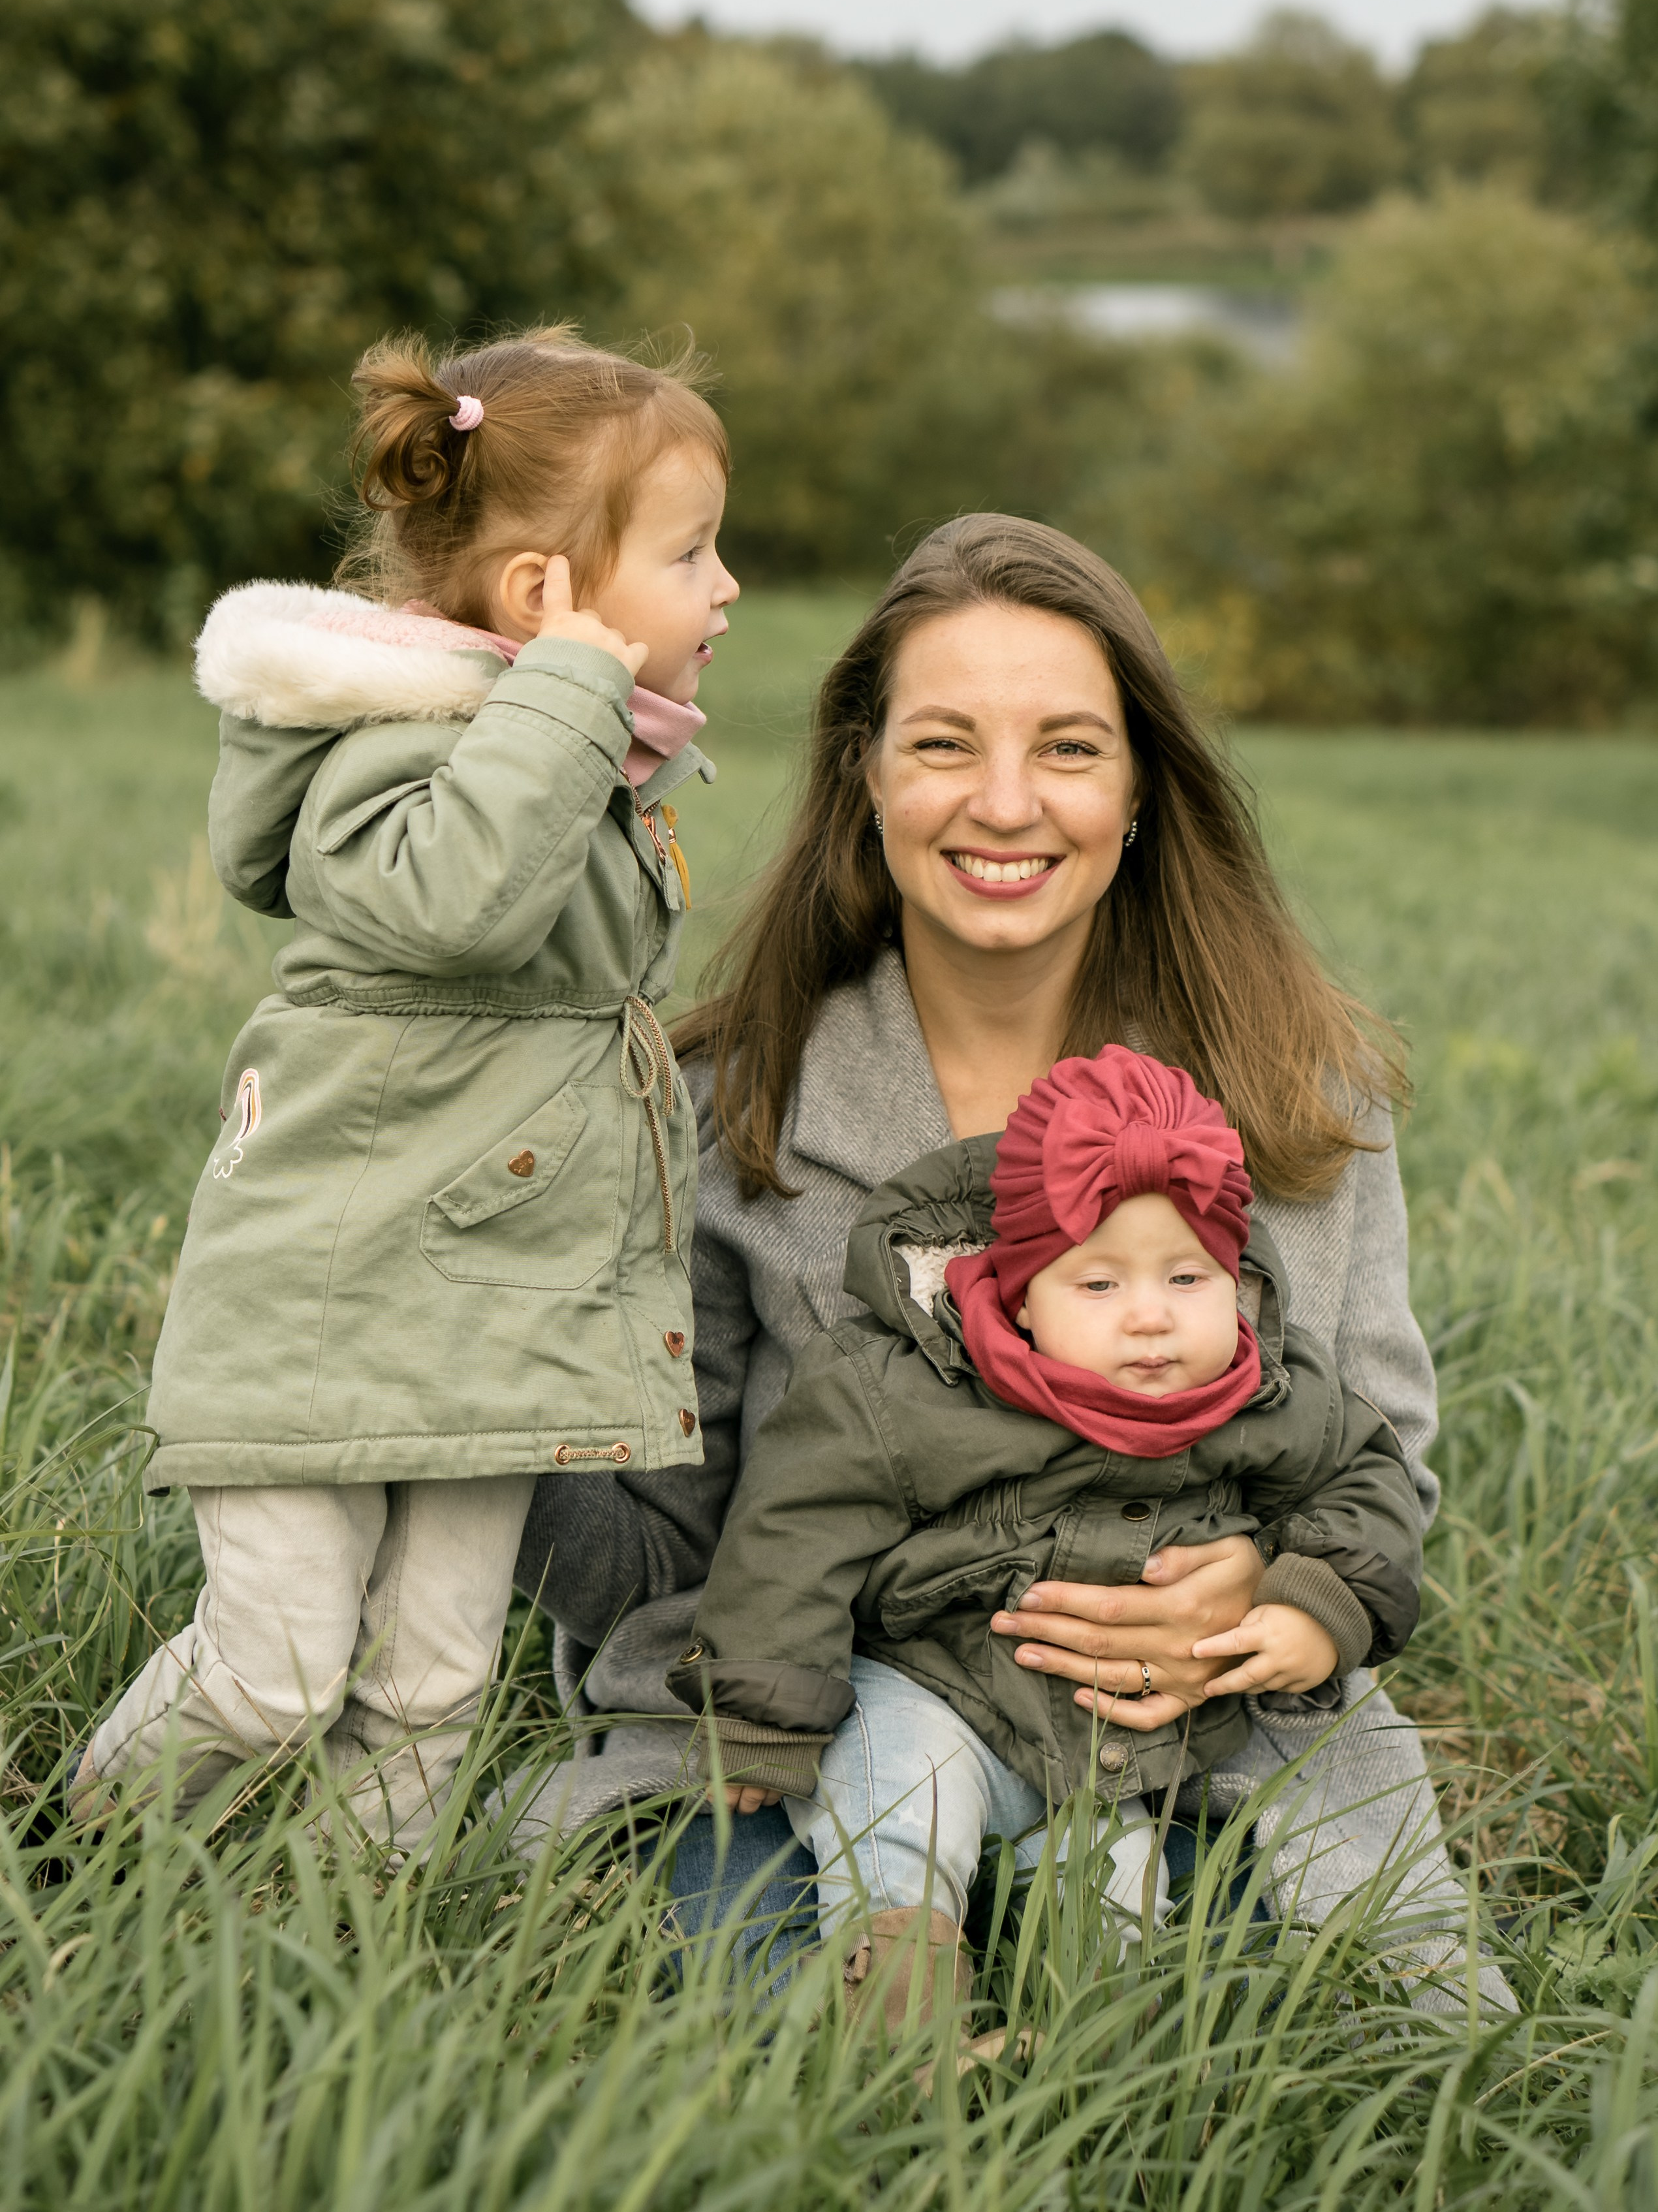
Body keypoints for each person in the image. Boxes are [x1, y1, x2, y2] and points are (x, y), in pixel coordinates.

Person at [514, 513, 1505, 2006]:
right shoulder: (726, 1108)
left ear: (1139, 792)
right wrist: (483, 1384)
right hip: (819, 1733)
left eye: (1065, 749)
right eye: (941, 745)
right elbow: (656, 1548)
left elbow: (1379, 1463)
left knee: (1215, 2023)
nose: (1001, 804)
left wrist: (1256, 1597)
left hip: (1186, 1747)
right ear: (865, 777)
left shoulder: (1291, 1100)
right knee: (757, 2004)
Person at [70, 323, 739, 1842]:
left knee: (430, 1682)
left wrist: (575, 723)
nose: (727, 588)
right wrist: (569, 700)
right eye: (693, 553)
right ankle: (72, 1864)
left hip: (484, 1310)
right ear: (539, 601)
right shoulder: (404, 752)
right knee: (275, 1672)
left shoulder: (563, 757)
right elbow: (461, 905)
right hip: (326, 1304)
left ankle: (347, 1931)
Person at [670, 1046, 1422, 2032]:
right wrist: (765, 1718)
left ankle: (1104, 2042)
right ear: (1022, 1296)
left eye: (1188, 1275)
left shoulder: (1265, 1388)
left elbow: (1367, 1472)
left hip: (1105, 1744)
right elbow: (794, 1523)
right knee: (899, 1800)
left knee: (1129, 1886)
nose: (1152, 1317)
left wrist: (1314, 1603)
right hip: (932, 1681)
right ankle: (897, 2000)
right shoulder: (910, 1386)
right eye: (1099, 1284)